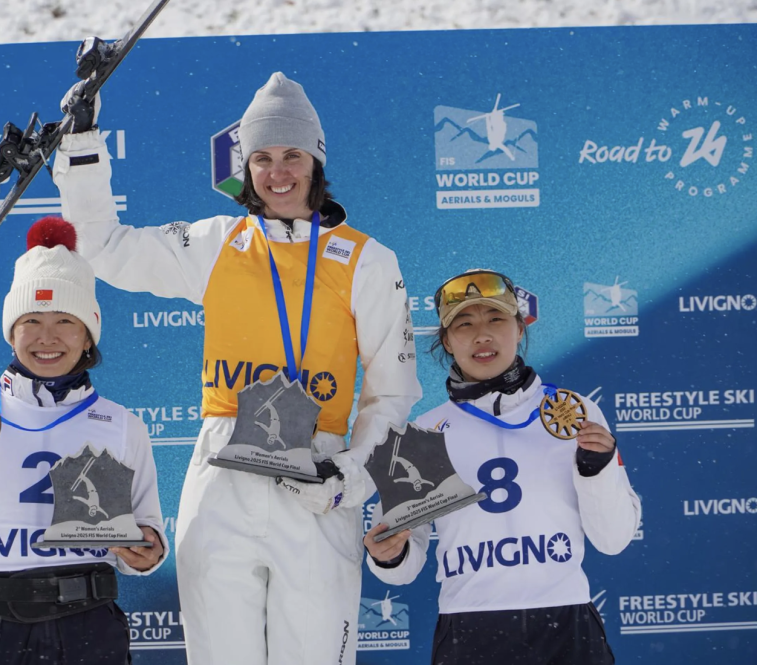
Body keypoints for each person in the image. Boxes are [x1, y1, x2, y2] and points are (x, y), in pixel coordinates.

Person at [51, 70, 421, 665]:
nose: (278, 172)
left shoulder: (367, 260)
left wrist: (350, 475)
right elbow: (103, 247)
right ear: (245, 168)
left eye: (292, 155)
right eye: (262, 158)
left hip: (316, 477)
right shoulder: (217, 243)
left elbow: (391, 396)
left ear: (317, 161)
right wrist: (82, 148)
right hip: (223, 469)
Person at [0, 217, 167, 665]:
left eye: (65, 320)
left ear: (88, 335)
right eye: (31, 320)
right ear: (10, 332)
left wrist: (145, 552)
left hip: (90, 627)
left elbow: (144, 540)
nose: (47, 337)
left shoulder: (121, 425)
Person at [363, 269, 641, 665]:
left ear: (519, 328)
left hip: (566, 625)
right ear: (446, 340)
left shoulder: (573, 413)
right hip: (469, 630)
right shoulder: (422, 434)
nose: (482, 335)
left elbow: (614, 539)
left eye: (496, 319)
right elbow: (402, 567)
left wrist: (597, 468)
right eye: (464, 323)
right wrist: (389, 555)